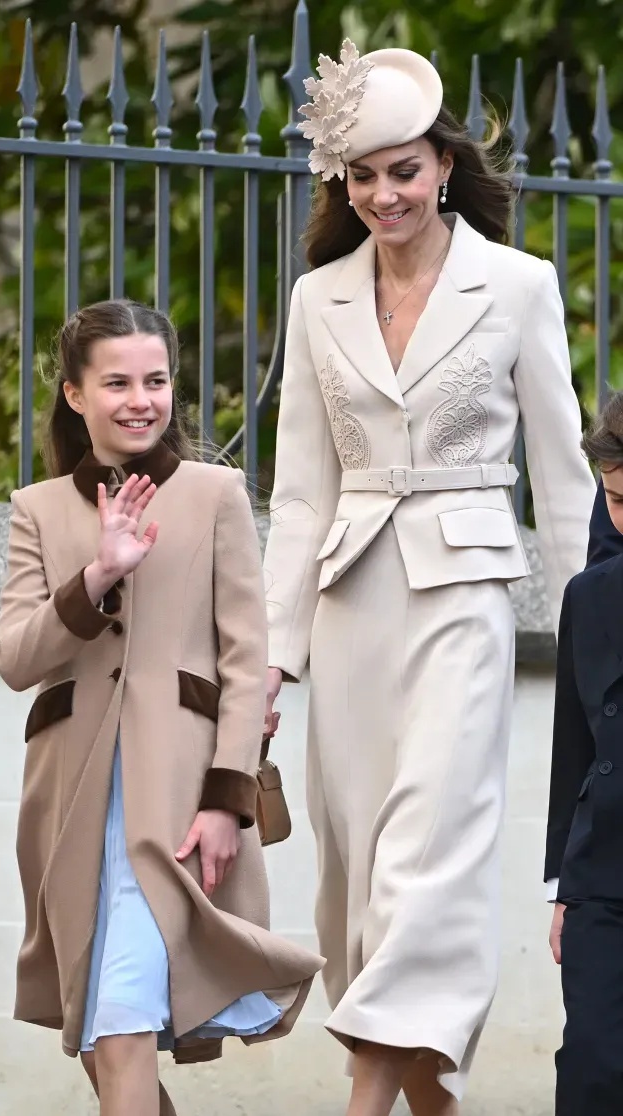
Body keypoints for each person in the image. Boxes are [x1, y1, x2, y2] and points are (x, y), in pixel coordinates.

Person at [262, 42, 596, 1116]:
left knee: (430, 854)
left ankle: (364, 1103)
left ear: (444, 164)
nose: (383, 195)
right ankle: (432, 1102)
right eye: (361, 176)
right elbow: (300, 495)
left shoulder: (519, 285)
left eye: (402, 170)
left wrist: (600, 640)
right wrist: (271, 659)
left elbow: (565, 477)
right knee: (358, 873)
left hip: (465, 595)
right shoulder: (317, 298)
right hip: (349, 602)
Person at [0, 299, 323, 1116]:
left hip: (176, 804)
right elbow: (16, 659)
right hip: (70, 805)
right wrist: (98, 575)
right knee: (99, 1035)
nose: (141, 400)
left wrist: (226, 801)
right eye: (117, 383)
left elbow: (245, 661)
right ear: (75, 394)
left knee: (123, 1023)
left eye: (157, 380)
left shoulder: (215, 495)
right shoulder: (38, 508)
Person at [545, 393, 623, 1115]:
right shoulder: (590, 596)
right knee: (593, 1064)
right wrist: (562, 889)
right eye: (619, 501)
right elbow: (573, 746)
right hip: (603, 872)